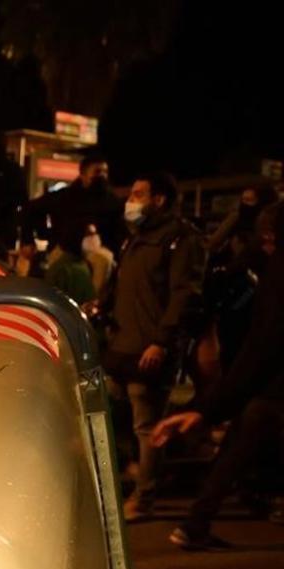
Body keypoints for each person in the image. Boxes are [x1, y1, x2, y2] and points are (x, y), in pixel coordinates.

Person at [152, 206, 283, 549]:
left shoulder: (275, 276)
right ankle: (197, 523)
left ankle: (196, 523)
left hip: (271, 390)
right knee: (240, 443)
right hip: (271, 391)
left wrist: (208, 408)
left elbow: (262, 347)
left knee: (237, 446)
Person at [101, 172, 205, 522]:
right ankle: (137, 472)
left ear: (159, 200)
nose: (130, 200)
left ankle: (144, 498)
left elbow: (183, 294)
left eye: (138, 194)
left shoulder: (180, 239)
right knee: (114, 414)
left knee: (147, 426)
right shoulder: (136, 239)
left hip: (149, 349)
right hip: (122, 346)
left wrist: (161, 342)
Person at [23, 154, 125, 251]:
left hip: (100, 257)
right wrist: (31, 240)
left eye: (105, 172)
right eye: (97, 172)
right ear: (83, 175)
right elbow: (31, 209)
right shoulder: (64, 197)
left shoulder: (112, 202)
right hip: (65, 256)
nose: (102, 176)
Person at [45, 221, 99, 308]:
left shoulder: (74, 263)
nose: (95, 239)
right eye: (89, 235)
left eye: (95, 235)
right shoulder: (73, 269)